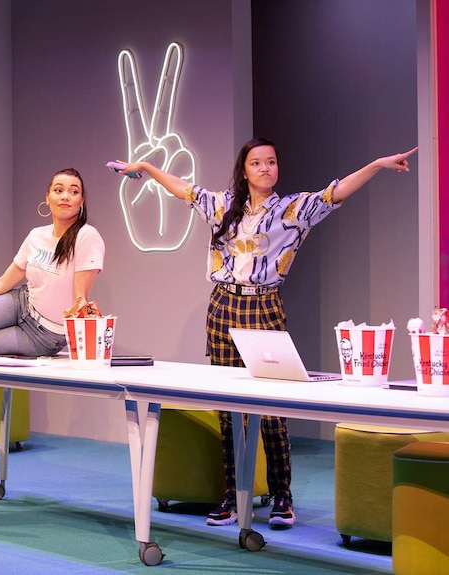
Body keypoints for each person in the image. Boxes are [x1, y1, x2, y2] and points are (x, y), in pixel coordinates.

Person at [116, 139, 417, 528]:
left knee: (272, 406)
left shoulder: (291, 209)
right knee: (227, 406)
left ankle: (282, 496)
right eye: (256, 163)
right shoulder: (224, 205)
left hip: (264, 304)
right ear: (244, 170)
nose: (265, 168)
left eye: (271, 162)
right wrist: (148, 167)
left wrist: (376, 163)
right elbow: (183, 189)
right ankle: (232, 494)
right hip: (223, 305)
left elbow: (335, 192)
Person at [0, 167, 105, 360]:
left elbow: (80, 299)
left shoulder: (87, 236)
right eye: (59, 190)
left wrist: (83, 350)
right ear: (47, 197)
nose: (66, 196)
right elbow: (4, 282)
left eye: (74, 192)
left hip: (44, 335)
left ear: (81, 202)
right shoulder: (36, 235)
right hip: (21, 304)